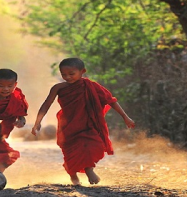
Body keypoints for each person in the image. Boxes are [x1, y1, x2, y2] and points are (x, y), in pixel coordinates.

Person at [31, 57, 135, 185]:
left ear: (82, 71)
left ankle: (89, 169)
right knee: (70, 151)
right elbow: (46, 104)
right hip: (68, 124)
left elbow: (110, 100)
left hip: (88, 122)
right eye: (64, 74)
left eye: (71, 74)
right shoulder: (58, 88)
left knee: (93, 145)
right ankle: (73, 176)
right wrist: (38, 121)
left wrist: (125, 117)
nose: (67, 77)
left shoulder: (91, 86)